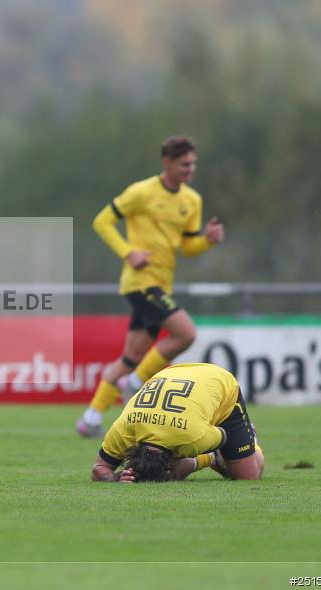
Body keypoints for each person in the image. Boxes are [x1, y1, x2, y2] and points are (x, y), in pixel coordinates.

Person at [76, 136, 225, 437]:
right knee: (186, 333)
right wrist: (128, 252)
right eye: (184, 164)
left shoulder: (191, 201)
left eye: (193, 164)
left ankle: (91, 417)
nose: (190, 170)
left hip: (161, 286)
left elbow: (187, 247)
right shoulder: (141, 192)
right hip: (140, 282)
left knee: (131, 355)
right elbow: (101, 221)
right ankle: (136, 382)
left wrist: (206, 241)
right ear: (167, 162)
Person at [91, 362, 264, 483]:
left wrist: (239, 443)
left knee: (248, 475)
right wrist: (116, 477)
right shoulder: (124, 429)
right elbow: (98, 468)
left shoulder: (193, 438)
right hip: (169, 373)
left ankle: (247, 439)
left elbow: (225, 435)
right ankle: (212, 458)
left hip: (220, 383)